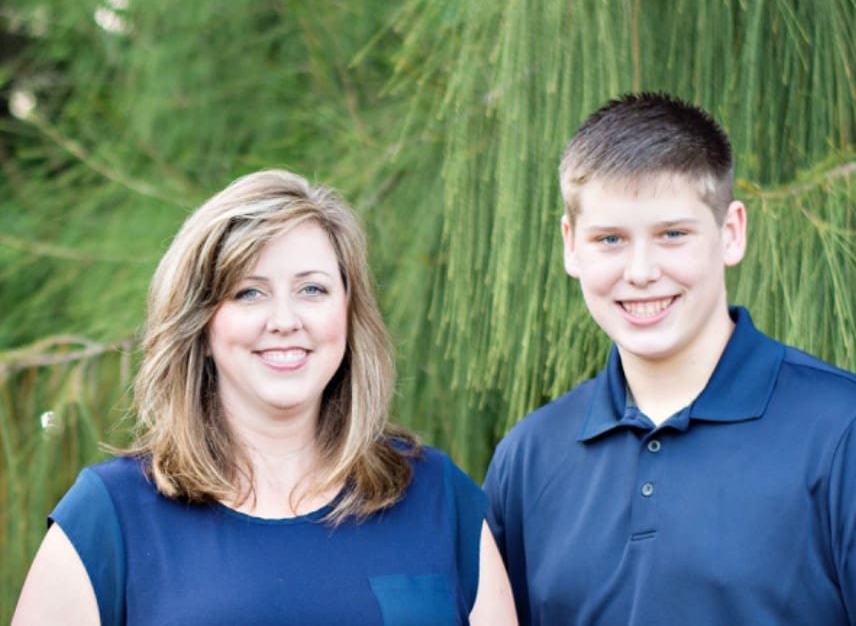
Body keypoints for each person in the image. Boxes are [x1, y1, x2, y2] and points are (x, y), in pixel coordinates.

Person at [483, 93, 856, 624]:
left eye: (672, 234)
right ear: (571, 245)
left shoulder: (851, 436)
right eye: (610, 239)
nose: (640, 271)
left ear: (731, 233)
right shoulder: (529, 458)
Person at [14, 169, 517, 625]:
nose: (284, 319)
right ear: (201, 325)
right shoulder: (109, 518)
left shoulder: (439, 498)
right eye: (248, 293)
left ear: (349, 312)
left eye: (313, 290)